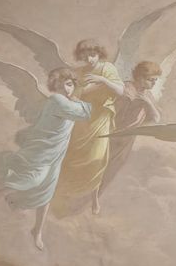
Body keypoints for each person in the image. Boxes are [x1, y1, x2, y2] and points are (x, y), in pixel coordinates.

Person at [0, 68, 91, 250]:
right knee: (35, 179)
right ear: (55, 86)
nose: (67, 88)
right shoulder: (57, 100)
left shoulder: (67, 102)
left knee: (47, 190)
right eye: (63, 84)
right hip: (42, 150)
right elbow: (83, 113)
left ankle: (37, 230)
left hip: (55, 152)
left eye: (70, 84)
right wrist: (81, 99)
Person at [51, 39, 124, 215]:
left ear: (99, 54)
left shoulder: (107, 68)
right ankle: (64, 194)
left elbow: (121, 91)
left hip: (100, 119)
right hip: (82, 119)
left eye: (92, 55)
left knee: (97, 159)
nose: (89, 59)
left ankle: (94, 198)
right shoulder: (77, 72)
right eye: (85, 56)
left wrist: (102, 80)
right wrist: (80, 93)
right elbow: (73, 95)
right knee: (74, 158)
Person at [100, 60, 162, 194]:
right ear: (140, 77)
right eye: (151, 80)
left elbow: (156, 118)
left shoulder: (147, 95)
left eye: (155, 80)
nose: (154, 83)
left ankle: (94, 198)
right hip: (111, 135)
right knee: (99, 166)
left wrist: (148, 103)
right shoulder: (125, 89)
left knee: (113, 169)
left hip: (127, 139)